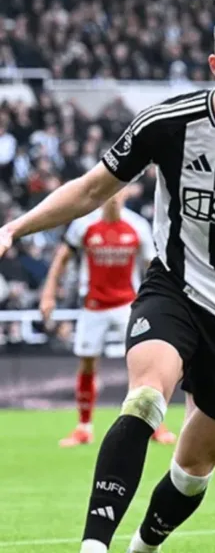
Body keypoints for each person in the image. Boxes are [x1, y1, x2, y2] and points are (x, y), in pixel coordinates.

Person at [0, 6, 215, 553]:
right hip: (175, 290)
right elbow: (91, 189)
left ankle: (144, 547)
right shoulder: (165, 125)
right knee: (144, 398)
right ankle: (93, 547)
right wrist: (15, 228)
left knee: (193, 470)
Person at [39, 190, 177, 447]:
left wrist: (158, 302)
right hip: (93, 305)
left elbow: (151, 267)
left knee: (145, 365)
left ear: (125, 194)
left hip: (129, 304)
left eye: (118, 192)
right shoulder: (84, 225)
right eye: (110, 192)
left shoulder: (137, 225)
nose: (113, 197)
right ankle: (84, 428)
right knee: (87, 363)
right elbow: (62, 258)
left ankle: (155, 424)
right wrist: (48, 294)